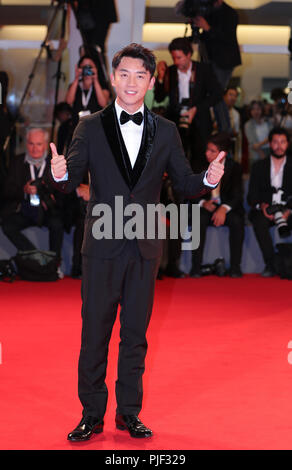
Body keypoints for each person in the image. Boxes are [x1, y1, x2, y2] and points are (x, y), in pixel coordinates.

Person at [49, 43, 225, 442]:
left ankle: (128, 413)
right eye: (124, 74)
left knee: (135, 335)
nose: (131, 82)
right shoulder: (89, 126)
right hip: (102, 245)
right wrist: (59, 173)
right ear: (113, 78)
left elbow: (183, 184)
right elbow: (67, 178)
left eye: (140, 76)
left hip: (145, 247)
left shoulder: (166, 131)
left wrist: (209, 179)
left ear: (150, 81)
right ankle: (91, 413)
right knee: (94, 333)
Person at [154, 36, 222, 171]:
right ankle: (177, 188)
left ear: (189, 54)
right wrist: (160, 78)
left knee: (200, 157)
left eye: (179, 57)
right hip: (175, 118)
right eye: (174, 58)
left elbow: (217, 94)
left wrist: (196, 108)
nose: (176, 61)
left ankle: (199, 188)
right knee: (176, 156)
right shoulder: (170, 71)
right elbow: (159, 98)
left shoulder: (203, 70)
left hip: (199, 118)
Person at [1, 128, 65, 269]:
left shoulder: (53, 163)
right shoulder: (17, 162)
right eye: (31, 144)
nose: (34, 148)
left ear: (46, 144)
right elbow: (7, 190)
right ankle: (35, 255)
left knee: (57, 225)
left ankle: (54, 265)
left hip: (47, 210)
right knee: (7, 225)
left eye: (39, 144)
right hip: (24, 209)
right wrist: (24, 191)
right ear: (26, 144)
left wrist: (47, 194)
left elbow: (63, 190)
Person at [189, 133, 245, 278]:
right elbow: (189, 191)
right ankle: (195, 267)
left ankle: (235, 267)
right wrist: (203, 202)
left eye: (212, 151)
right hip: (205, 206)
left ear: (222, 153)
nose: (207, 153)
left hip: (226, 207)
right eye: (207, 149)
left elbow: (237, 195)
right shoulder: (198, 165)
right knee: (198, 219)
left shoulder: (235, 167)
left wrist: (223, 208)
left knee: (237, 221)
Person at [247, 127, 292, 277]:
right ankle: (271, 264)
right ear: (270, 144)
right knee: (258, 220)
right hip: (265, 209)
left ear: (288, 144)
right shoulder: (259, 166)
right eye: (275, 142)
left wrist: (288, 211)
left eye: (283, 142)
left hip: (288, 209)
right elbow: (251, 195)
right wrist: (262, 206)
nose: (279, 146)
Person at [193, 0, 241, 89]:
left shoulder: (230, 13)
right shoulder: (209, 12)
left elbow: (227, 37)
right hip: (208, 57)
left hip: (223, 61)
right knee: (207, 90)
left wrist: (207, 27)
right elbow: (205, 36)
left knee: (216, 91)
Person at [66, 55, 110, 128]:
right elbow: (68, 101)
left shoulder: (102, 86)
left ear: (95, 68)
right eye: (84, 67)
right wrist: (76, 78)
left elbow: (103, 103)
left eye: (90, 67)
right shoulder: (75, 85)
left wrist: (95, 79)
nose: (87, 69)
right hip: (78, 127)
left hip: (96, 127)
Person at [244, 100, 272, 167]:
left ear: (262, 110)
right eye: (253, 109)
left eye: (258, 109)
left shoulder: (268, 122)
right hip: (255, 155)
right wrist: (264, 158)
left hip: (270, 151)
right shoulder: (248, 125)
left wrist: (260, 144)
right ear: (250, 111)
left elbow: (273, 136)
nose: (256, 111)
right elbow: (253, 144)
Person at [223, 86, 241, 162]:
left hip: (229, 146)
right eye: (230, 95)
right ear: (224, 96)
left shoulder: (236, 114)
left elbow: (236, 132)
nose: (233, 98)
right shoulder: (214, 110)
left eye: (235, 96)